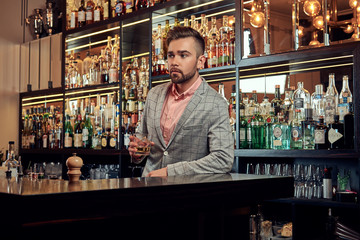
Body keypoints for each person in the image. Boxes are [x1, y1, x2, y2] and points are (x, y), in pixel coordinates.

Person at [129, 26, 234, 177]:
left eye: (183, 55)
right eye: (171, 55)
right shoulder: (154, 95)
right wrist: (138, 151)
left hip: (188, 194)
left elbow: (223, 159)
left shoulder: (215, 103)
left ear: (200, 61)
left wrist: (170, 172)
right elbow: (142, 139)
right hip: (149, 190)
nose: (174, 62)